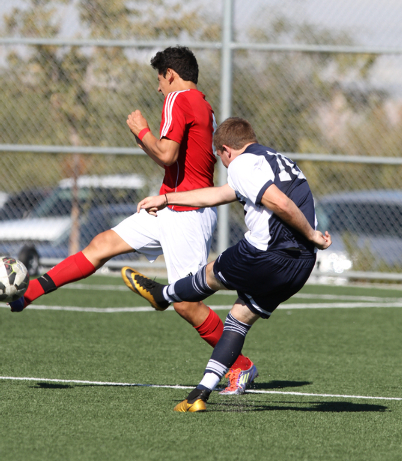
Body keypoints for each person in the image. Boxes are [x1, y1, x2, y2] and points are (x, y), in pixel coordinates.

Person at [9, 47, 258, 394]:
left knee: (186, 304)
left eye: (159, 79)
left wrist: (140, 131)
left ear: (170, 74)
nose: (158, 89)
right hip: (169, 208)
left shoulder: (179, 99)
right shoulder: (204, 104)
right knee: (101, 246)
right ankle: (26, 295)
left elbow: (166, 154)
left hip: (186, 214)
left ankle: (241, 366)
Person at [123, 117, 332, 412]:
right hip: (300, 265)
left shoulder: (242, 164)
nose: (222, 164)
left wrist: (312, 234)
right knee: (238, 318)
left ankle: (163, 296)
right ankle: (201, 393)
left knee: (211, 273)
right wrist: (168, 198)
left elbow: (280, 204)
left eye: (219, 157)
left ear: (226, 150)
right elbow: (218, 194)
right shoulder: (276, 160)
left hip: (268, 252)